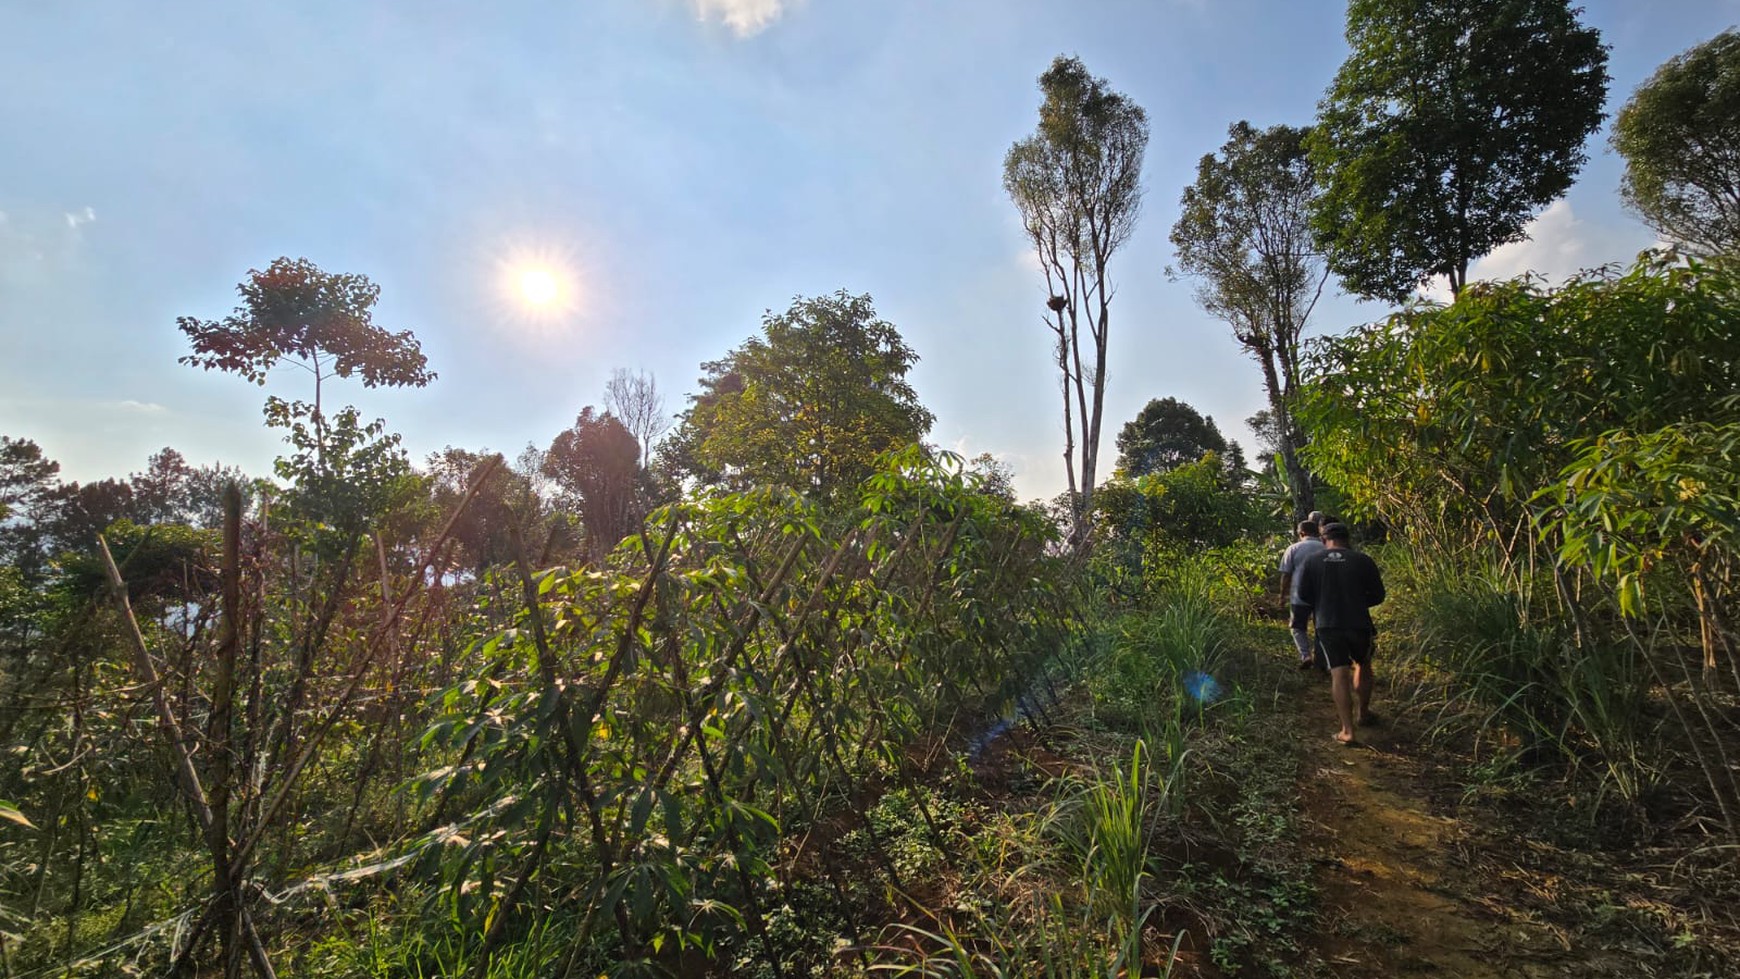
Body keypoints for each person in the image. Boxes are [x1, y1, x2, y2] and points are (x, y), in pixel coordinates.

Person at [1297, 522, 1386, 744]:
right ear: (1347, 539)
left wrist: (1322, 603)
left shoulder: (1312, 561)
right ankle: (1363, 714)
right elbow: (1378, 595)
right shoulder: (1362, 560)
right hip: (1359, 623)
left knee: (1339, 673)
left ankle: (1347, 731)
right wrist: (1356, 601)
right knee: (1363, 664)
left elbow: (1304, 595)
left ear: (1323, 539)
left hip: (1328, 625)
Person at [1277, 520, 1326, 670]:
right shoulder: (1326, 547)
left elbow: (1286, 575)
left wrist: (1282, 596)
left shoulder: (1293, 548)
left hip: (1299, 594)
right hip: (1323, 595)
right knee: (1321, 628)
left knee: (1298, 627)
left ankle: (1305, 655)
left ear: (1301, 533)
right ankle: (1320, 659)